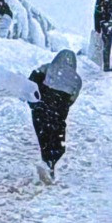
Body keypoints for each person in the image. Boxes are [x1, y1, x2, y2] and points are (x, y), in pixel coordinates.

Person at [28, 50, 82, 182]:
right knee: (57, 140)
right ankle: (50, 163)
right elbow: (71, 100)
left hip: (41, 107)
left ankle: (46, 162)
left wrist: (34, 102)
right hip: (59, 111)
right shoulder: (76, 79)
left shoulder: (48, 67)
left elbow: (31, 82)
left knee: (43, 135)